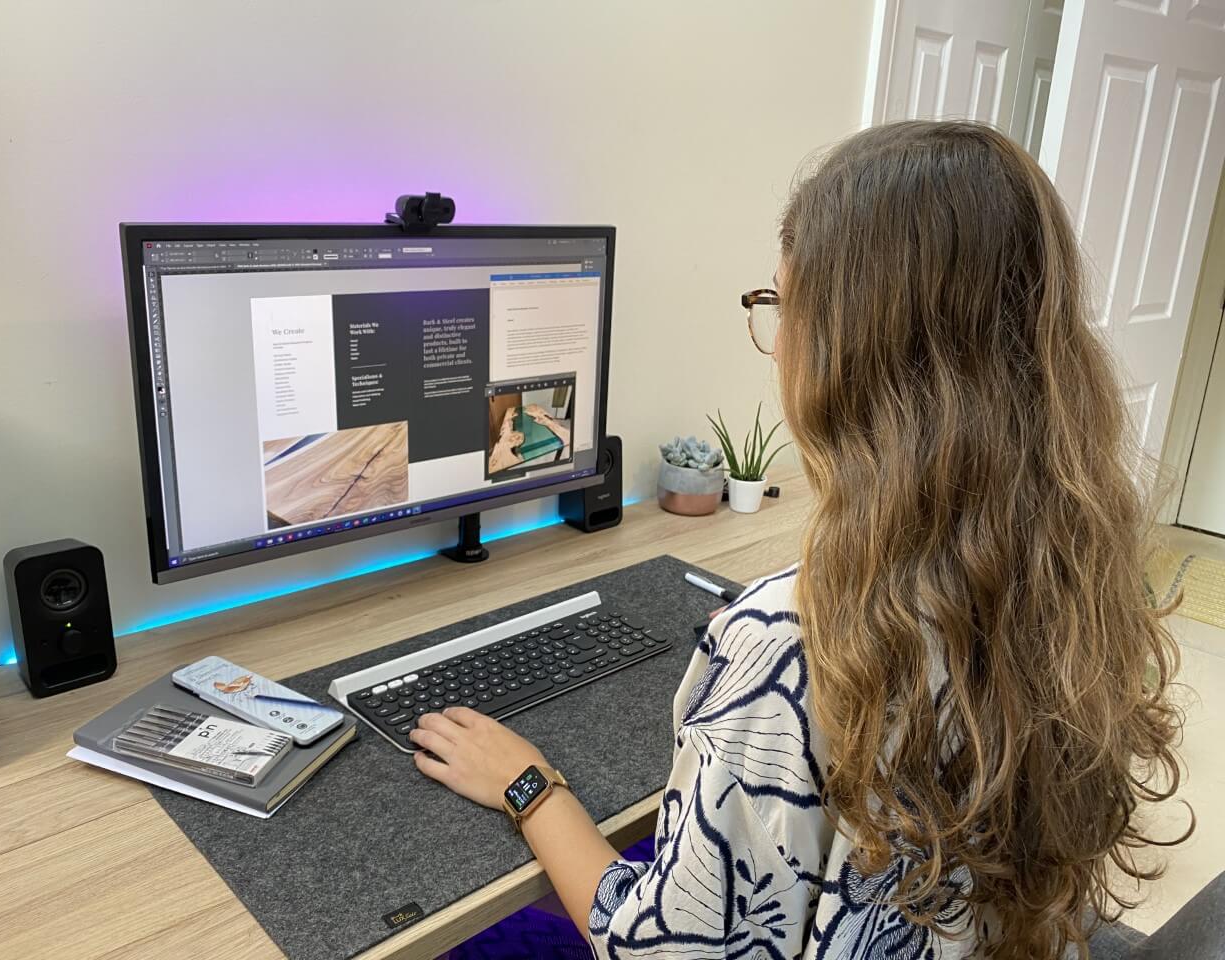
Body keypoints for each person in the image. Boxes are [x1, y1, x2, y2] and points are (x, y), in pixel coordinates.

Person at [409, 121, 1188, 959]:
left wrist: (530, 787)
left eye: (784, 306)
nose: (775, 343)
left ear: (847, 352)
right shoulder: (1068, 566)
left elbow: (657, 950)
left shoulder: (798, 640)